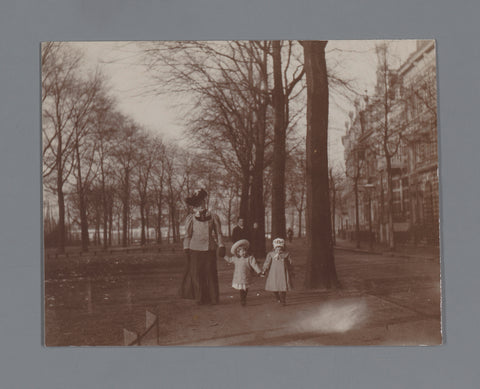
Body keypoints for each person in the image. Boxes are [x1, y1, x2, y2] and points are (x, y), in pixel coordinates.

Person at [181, 188, 225, 305]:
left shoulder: (213, 217)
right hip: (195, 249)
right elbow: (187, 235)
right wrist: (186, 248)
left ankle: (213, 298)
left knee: (210, 273)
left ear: (204, 202)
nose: (199, 205)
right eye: (197, 204)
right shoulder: (191, 218)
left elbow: (218, 233)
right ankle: (200, 298)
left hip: (209, 248)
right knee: (197, 275)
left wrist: (221, 245)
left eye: (201, 202)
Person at [223, 239, 262, 306]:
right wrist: (224, 256)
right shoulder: (235, 258)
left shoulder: (250, 258)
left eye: (245, 251)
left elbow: (254, 265)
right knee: (241, 289)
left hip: (246, 276)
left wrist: (259, 272)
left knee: (245, 288)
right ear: (238, 252)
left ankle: (244, 298)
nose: (244, 252)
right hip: (239, 277)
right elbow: (229, 260)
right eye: (242, 251)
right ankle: (243, 300)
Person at [262, 238, 294, 306]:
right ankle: (278, 298)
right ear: (274, 248)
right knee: (274, 286)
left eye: (280, 247)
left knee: (283, 287)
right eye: (277, 247)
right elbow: (267, 262)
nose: (278, 249)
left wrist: (291, 271)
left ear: (283, 247)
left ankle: (283, 300)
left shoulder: (286, 254)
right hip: (274, 273)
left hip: (283, 273)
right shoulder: (271, 254)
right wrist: (264, 270)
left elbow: (290, 263)